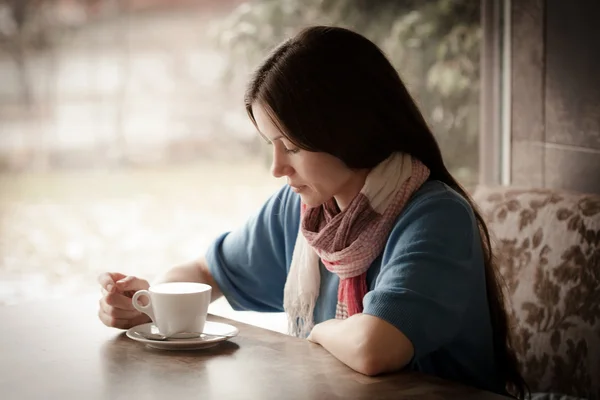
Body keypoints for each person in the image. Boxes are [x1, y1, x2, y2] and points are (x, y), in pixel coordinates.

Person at [97, 26, 527, 398]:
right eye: (273, 146)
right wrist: (149, 304)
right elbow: (205, 273)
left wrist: (314, 333)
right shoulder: (303, 209)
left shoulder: (435, 217)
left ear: (347, 129)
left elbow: (374, 347)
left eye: (294, 146)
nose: (277, 168)